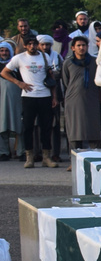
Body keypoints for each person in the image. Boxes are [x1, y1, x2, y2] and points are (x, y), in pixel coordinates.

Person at [1, 34, 59, 167]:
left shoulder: (45, 57)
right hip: (28, 97)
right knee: (28, 127)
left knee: (46, 127)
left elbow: (51, 77)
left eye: (34, 44)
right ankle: (29, 157)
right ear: (25, 46)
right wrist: (18, 82)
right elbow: (4, 72)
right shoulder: (19, 58)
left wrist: (54, 96)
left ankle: (46, 157)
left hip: (44, 95)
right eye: (30, 44)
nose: (32, 46)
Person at [61, 35, 101, 150]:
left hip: (92, 100)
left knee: (93, 129)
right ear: (73, 48)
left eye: (83, 45)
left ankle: (96, 159)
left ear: (87, 47)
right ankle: (74, 161)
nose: (81, 48)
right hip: (74, 100)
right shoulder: (68, 63)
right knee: (75, 130)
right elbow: (66, 81)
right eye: (78, 45)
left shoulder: (95, 62)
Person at [0, 41, 22, 160]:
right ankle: (3, 152)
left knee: (18, 125)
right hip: (1, 100)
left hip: (16, 100)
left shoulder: (15, 65)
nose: (4, 53)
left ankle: (20, 151)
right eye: (2, 50)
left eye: (6, 50)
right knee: (1, 126)